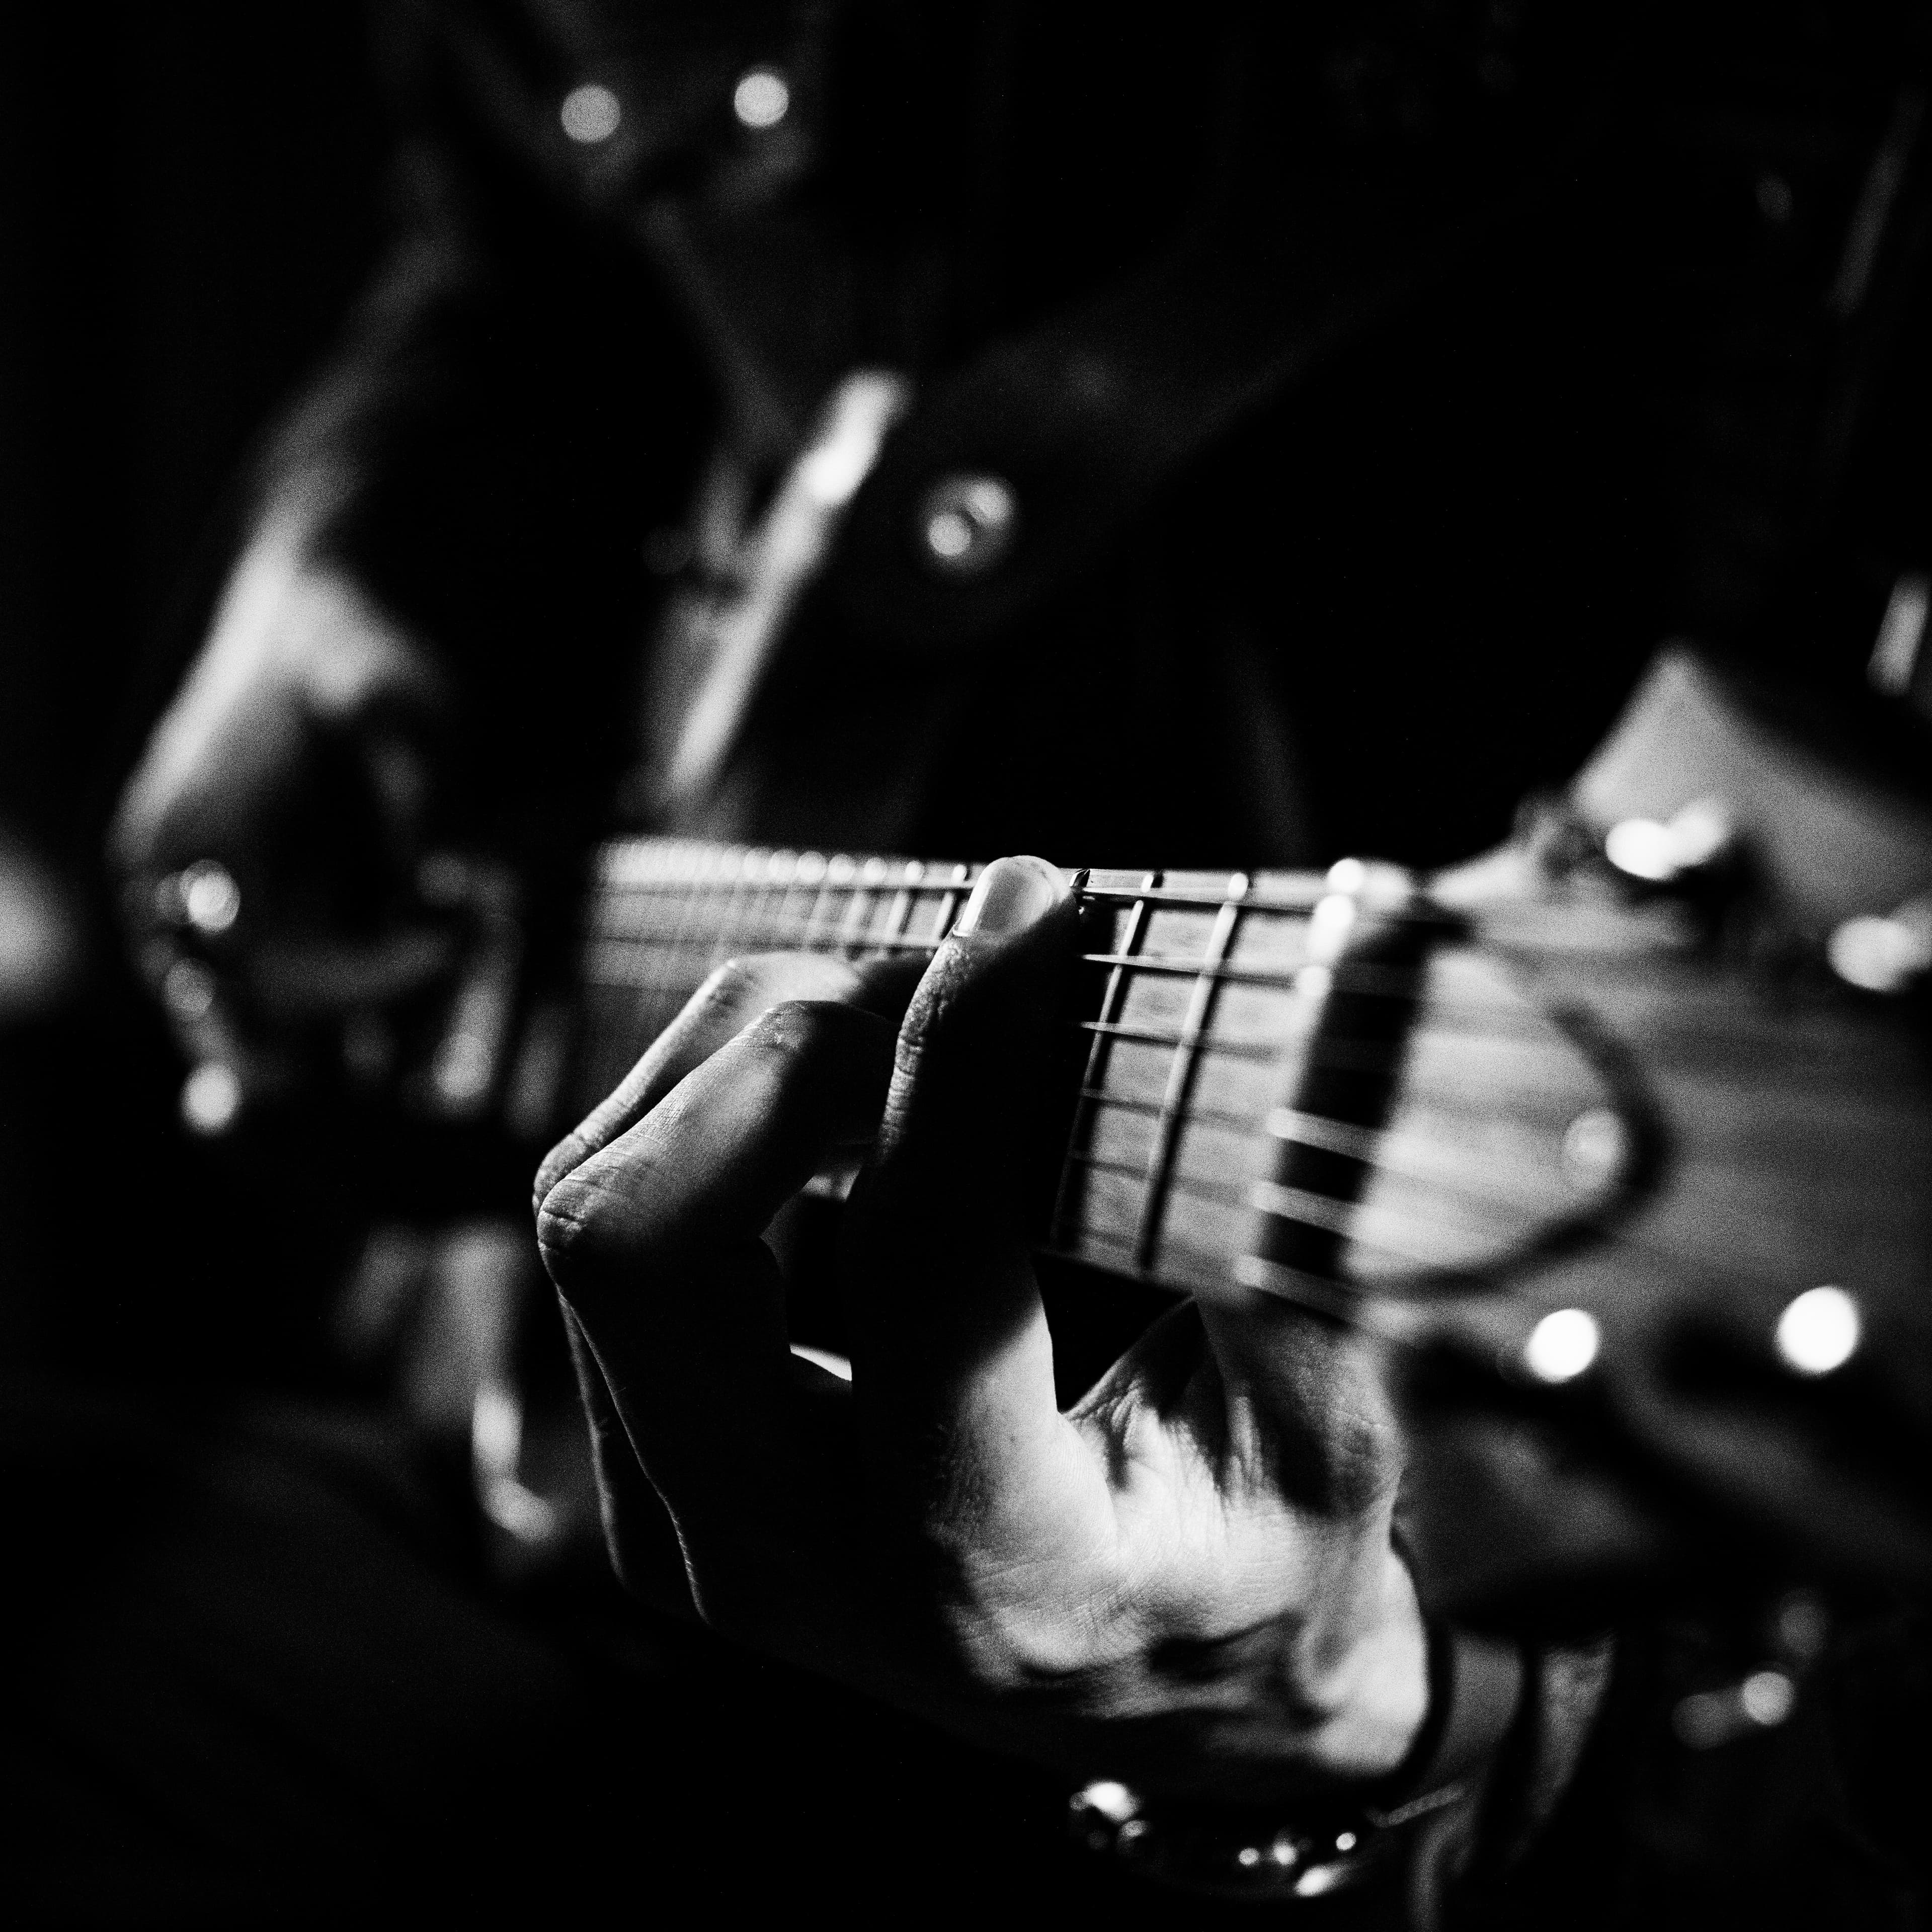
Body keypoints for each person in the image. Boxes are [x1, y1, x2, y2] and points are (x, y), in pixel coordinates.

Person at [105, 1, 1932, 1922]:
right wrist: (356, 539)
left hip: (1276, 1736)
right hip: (529, 1465)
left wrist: (1424, 1714)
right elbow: (518, 222)